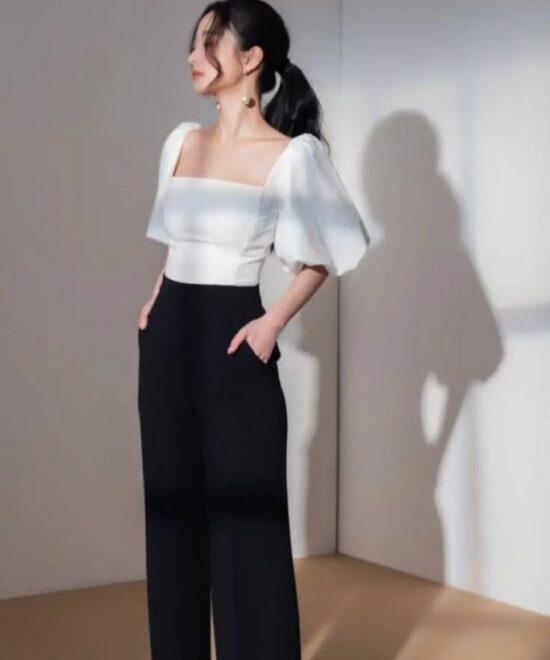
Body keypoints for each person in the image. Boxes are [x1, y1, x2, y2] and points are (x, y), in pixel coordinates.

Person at [136, 2, 371, 659]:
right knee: (172, 520)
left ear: (251, 59)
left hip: (235, 338)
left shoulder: (292, 156)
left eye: (210, 43)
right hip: (166, 340)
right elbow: (177, 242)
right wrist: (153, 303)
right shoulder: (181, 142)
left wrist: (272, 322)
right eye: (194, 43)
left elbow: (325, 255)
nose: (194, 56)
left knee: (247, 525)